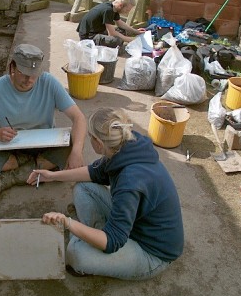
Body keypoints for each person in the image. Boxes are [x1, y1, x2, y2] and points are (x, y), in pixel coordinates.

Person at [27, 107, 184, 279]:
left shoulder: (129, 182)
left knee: (76, 254)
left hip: (152, 252)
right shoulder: (126, 145)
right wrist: (52, 176)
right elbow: (94, 173)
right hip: (135, 225)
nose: (89, 140)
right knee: (83, 187)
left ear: (99, 144)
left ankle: (90, 237)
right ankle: (93, 235)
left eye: (90, 137)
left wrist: (68, 223)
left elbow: (113, 241)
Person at [0, 44, 86, 199]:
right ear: (12, 68)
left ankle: (10, 178)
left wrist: (77, 151)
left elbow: (79, 118)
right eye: (24, 74)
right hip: (9, 148)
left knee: (75, 143)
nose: (29, 80)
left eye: (34, 74)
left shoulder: (48, 82)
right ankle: (32, 166)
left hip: (45, 145)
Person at [77, 0, 146, 50]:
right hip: (88, 37)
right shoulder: (108, 10)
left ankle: (112, 42)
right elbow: (112, 33)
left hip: (98, 31)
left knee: (122, 31)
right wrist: (129, 39)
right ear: (121, 5)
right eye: (127, 10)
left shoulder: (113, 7)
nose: (127, 12)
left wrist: (136, 31)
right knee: (117, 41)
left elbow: (120, 23)